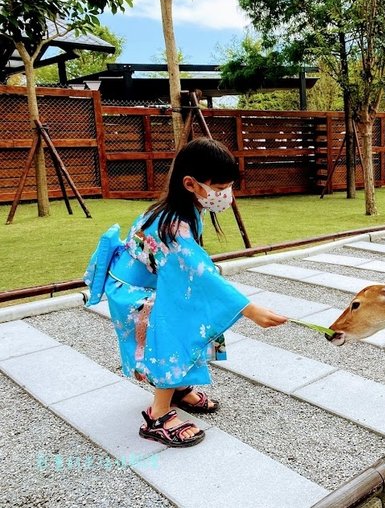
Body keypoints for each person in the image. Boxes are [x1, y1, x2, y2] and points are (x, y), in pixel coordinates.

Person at [84, 138, 287, 448]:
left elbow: (193, 269)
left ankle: (177, 388)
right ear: (191, 184)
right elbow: (200, 275)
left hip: (149, 283)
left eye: (228, 187)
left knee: (191, 313)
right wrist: (248, 308)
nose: (225, 196)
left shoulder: (182, 210)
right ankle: (157, 414)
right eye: (219, 187)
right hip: (136, 293)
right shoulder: (171, 225)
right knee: (178, 327)